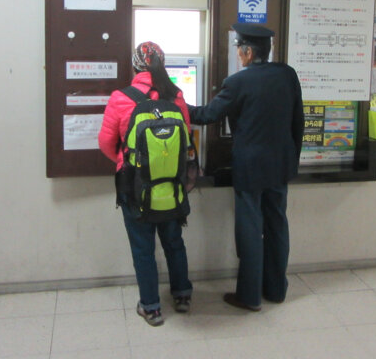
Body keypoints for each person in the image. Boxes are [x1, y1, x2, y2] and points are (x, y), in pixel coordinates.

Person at [188, 23, 304, 311]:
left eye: (239, 49)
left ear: (248, 52)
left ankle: (250, 297)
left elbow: (205, 115)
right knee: (277, 226)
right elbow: (298, 122)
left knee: (250, 231)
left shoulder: (238, 82)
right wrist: (291, 159)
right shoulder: (287, 75)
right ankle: (276, 290)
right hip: (280, 166)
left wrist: (174, 101)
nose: (239, 55)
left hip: (250, 169)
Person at [98, 41, 193, 326]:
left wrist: (123, 158)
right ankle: (183, 295)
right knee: (174, 242)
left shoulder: (120, 97)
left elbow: (105, 141)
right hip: (172, 186)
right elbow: (186, 135)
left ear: (136, 65)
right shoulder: (175, 95)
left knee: (143, 247)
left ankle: (151, 307)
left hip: (134, 185)